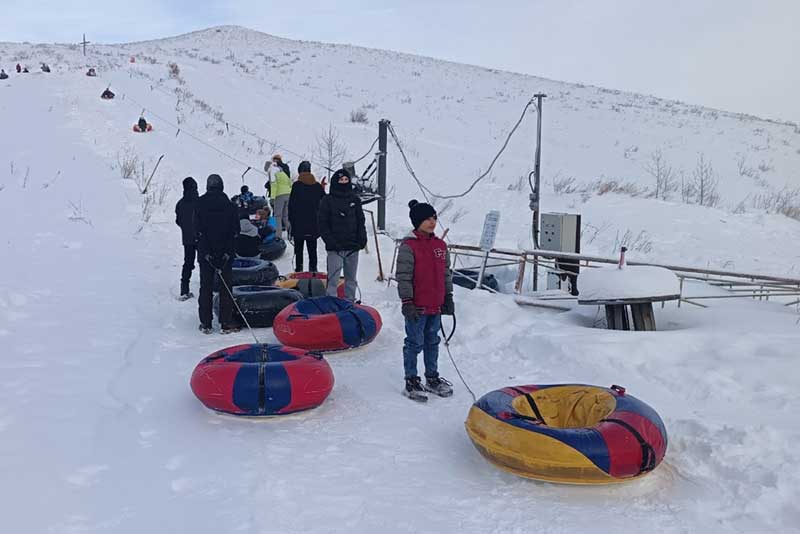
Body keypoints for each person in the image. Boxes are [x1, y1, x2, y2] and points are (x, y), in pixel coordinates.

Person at [395, 200, 455, 401]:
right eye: (427, 219)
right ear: (417, 221)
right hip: (417, 306)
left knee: (433, 341)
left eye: (434, 218)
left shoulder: (440, 245)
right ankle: (411, 380)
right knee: (414, 342)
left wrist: (448, 296)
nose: (432, 222)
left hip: (435, 305)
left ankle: (432, 377)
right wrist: (407, 301)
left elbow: (446, 273)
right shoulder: (409, 246)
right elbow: (403, 276)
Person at [194, 174, 240, 334]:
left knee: (205, 287)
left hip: (206, 253)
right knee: (225, 288)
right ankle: (225, 322)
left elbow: (197, 230)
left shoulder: (199, 204)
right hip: (225, 253)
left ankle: (206, 323)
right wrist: (228, 251)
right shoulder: (231, 206)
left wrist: (205, 251)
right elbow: (235, 231)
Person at [317, 168, 367, 301]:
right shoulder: (327, 200)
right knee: (333, 279)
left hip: (352, 247)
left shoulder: (355, 200)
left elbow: (360, 220)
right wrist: (330, 241)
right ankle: (331, 303)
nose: (344, 182)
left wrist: (362, 239)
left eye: (346, 180)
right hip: (335, 248)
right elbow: (322, 223)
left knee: (351, 279)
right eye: (341, 180)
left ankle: (350, 302)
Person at [288, 160, 324, 272]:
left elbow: (291, 206)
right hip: (313, 224)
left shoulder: (296, 186)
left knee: (298, 250)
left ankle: (299, 270)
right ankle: (313, 270)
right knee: (312, 249)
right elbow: (324, 203)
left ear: (300, 171)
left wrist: (291, 222)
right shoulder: (317, 186)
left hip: (298, 224)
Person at [175, 177, 199, 300]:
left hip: (187, 238)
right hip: (201, 238)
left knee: (188, 263)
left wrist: (187, 229)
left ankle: (184, 290)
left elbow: (178, 221)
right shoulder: (200, 202)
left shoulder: (180, 203)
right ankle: (207, 288)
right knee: (205, 264)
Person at [266, 155, 292, 237]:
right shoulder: (283, 172)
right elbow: (289, 182)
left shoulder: (273, 171)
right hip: (288, 194)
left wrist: (272, 198)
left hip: (279, 195)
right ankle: (291, 232)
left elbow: (274, 185)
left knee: (277, 216)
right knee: (285, 215)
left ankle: (278, 236)